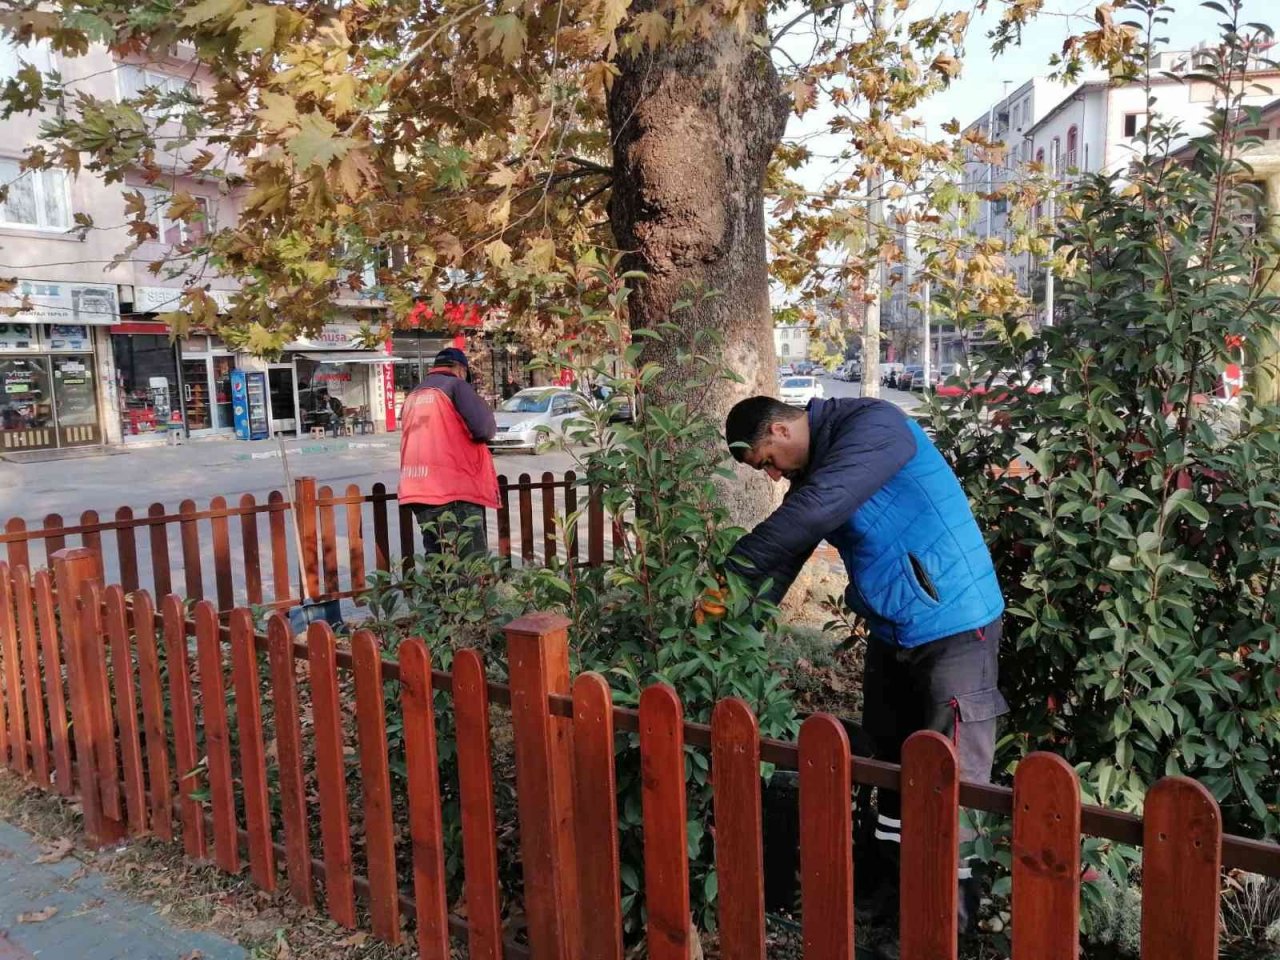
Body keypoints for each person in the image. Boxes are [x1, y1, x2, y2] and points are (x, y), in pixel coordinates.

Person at [719, 395, 1006, 955]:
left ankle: (940, 927)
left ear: (779, 428)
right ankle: (888, 892)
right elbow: (789, 549)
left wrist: (732, 565)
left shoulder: (874, 428)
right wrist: (734, 617)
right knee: (889, 764)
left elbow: (814, 513)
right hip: (896, 628)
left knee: (950, 775)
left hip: (954, 623)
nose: (773, 476)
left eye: (767, 460)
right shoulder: (820, 468)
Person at [398, 347, 498, 558]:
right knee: (469, 566)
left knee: (439, 562)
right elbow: (485, 429)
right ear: (461, 370)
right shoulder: (456, 386)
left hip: (418, 490)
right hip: (453, 491)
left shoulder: (414, 394)